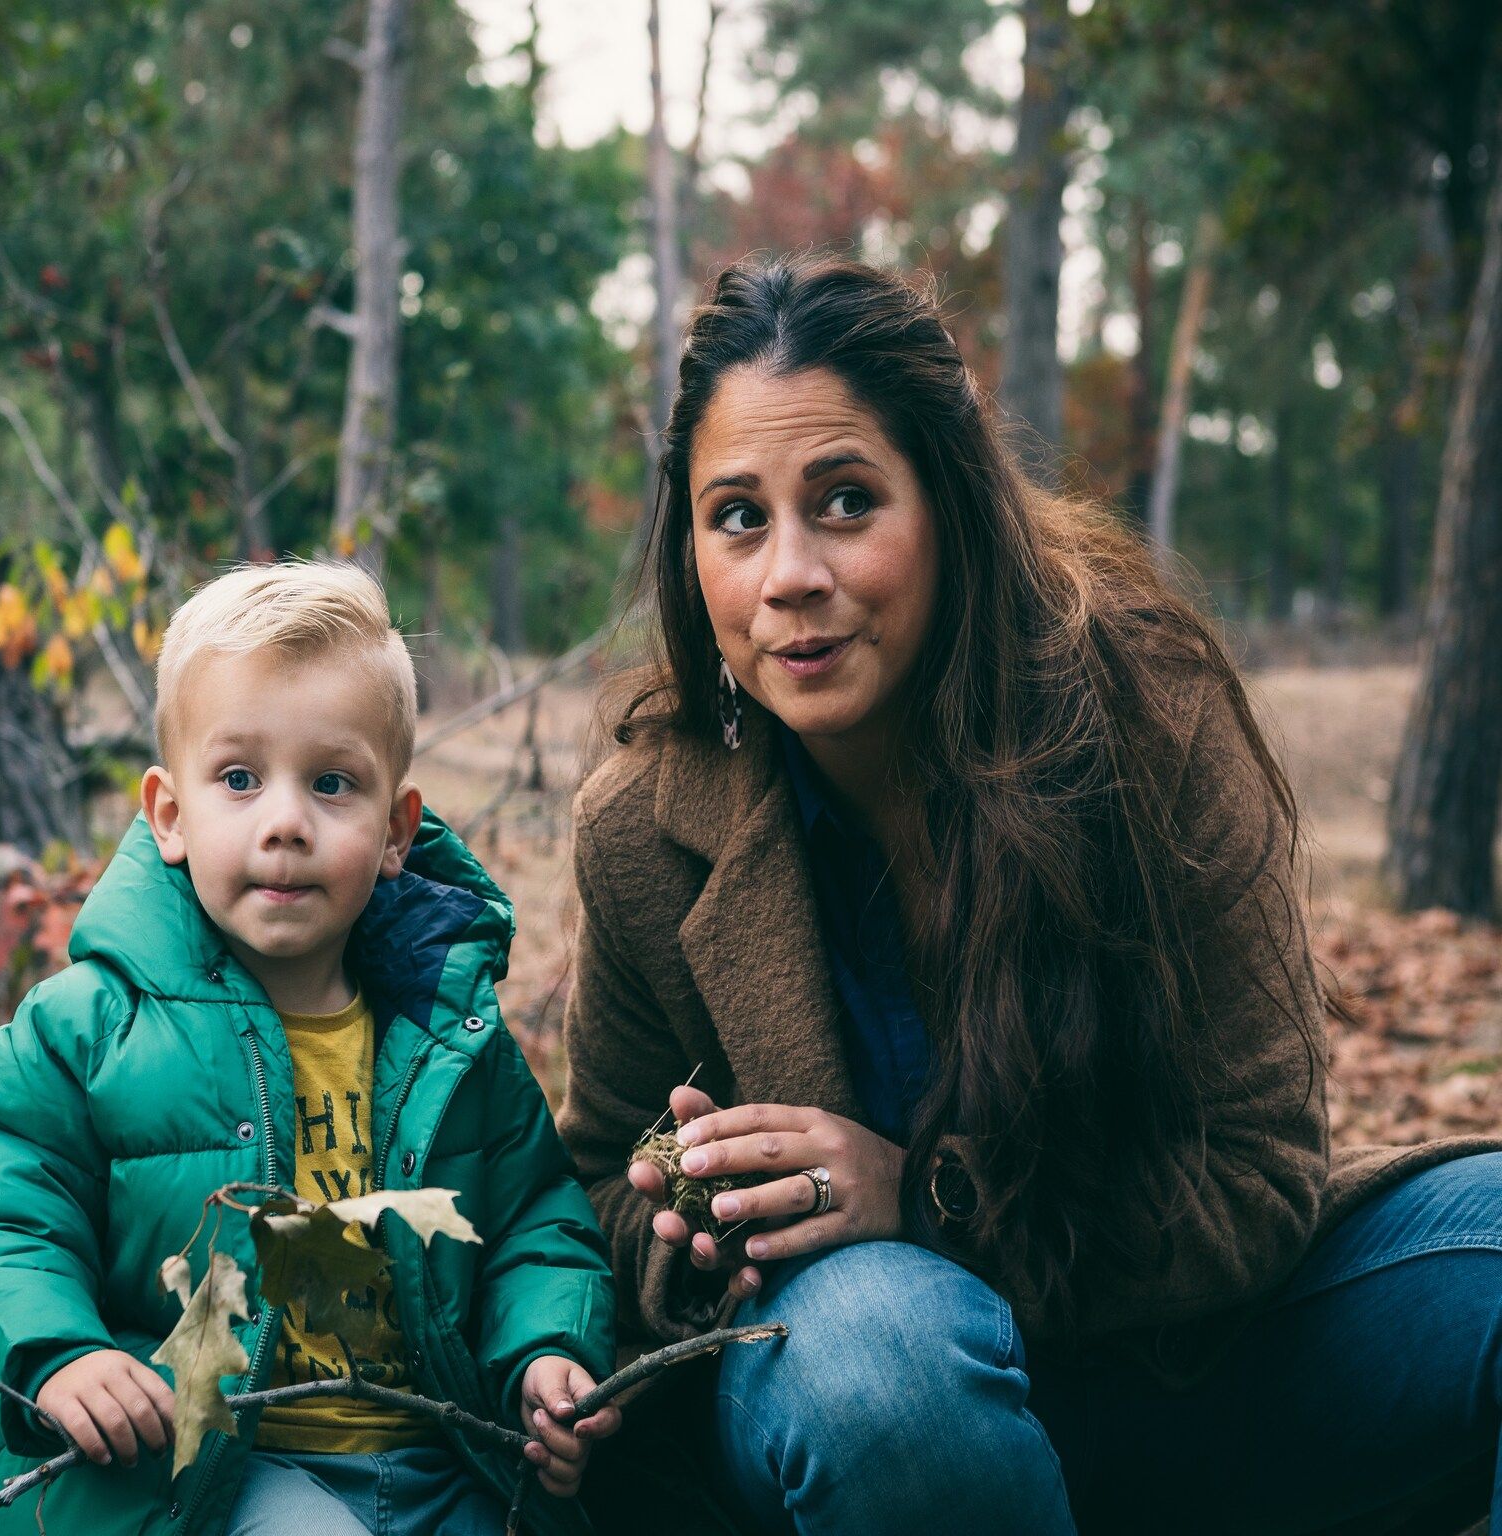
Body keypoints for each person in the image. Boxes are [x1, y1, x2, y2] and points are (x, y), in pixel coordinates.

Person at [559, 255, 1502, 1535]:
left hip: (1185, 1365)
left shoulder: (1140, 722)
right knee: (883, 1348)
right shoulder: (640, 827)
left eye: (844, 501)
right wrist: (699, 1220)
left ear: (947, 503)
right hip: (864, 1412)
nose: (787, 573)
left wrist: (924, 1200)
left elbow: (1258, 1175)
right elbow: (598, 1184)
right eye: (737, 516)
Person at [0, 562, 618, 1536]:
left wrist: (546, 1350)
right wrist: (56, 1353)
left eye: (331, 784)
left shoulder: (444, 1036)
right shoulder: (90, 1023)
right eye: (239, 778)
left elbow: (533, 1219)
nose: (285, 822)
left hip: (436, 1450)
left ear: (394, 831)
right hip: (199, 1469)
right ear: (169, 814)